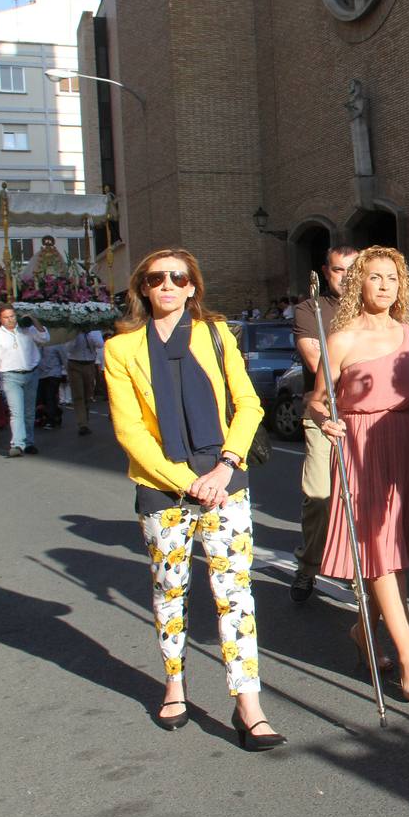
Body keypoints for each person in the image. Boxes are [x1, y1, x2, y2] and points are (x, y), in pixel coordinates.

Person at [103, 248, 285, 750]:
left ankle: (248, 703)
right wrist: (185, 481)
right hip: (163, 488)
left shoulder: (217, 335)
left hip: (225, 482)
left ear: (192, 287)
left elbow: (248, 403)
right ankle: (174, 683)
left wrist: (225, 466)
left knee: (236, 597)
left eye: (177, 277)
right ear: (142, 287)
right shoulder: (121, 350)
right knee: (170, 590)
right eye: (155, 277)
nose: (166, 284)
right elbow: (129, 429)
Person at [308, 245, 409, 702]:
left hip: (404, 444)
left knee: (391, 555)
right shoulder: (342, 339)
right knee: (379, 555)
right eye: (375, 277)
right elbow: (315, 400)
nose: (384, 285)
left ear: (402, 285)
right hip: (359, 446)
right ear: (359, 283)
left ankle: (361, 630)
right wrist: (323, 418)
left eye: (392, 278)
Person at [290, 245, 358, 602]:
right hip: (323, 413)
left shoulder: (374, 309)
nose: (346, 278)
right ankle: (308, 566)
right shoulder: (311, 310)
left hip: (367, 415)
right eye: (338, 271)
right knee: (320, 495)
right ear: (325, 271)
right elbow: (319, 362)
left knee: (361, 498)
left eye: (353, 270)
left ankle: (355, 565)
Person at [0, 304, 50, 456]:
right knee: (16, 411)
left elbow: (45, 337)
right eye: (6, 317)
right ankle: (17, 444)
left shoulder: (27, 330)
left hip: (31, 374)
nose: (10, 320)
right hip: (10, 376)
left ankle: (29, 442)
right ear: (0, 319)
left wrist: (34, 320)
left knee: (29, 411)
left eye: (12, 316)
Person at [66, 326, 104, 436]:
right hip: (75, 363)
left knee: (88, 395)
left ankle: (85, 418)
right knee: (78, 396)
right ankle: (82, 424)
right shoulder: (72, 331)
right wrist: (76, 334)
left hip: (89, 364)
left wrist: (89, 333)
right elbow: (68, 348)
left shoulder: (94, 331)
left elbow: (100, 344)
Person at [36, 342, 66, 429]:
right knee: (41, 398)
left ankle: (50, 420)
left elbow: (64, 358)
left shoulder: (57, 343)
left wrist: (65, 372)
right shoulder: (38, 344)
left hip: (54, 373)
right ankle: (56, 412)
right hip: (40, 374)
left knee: (50, 396)